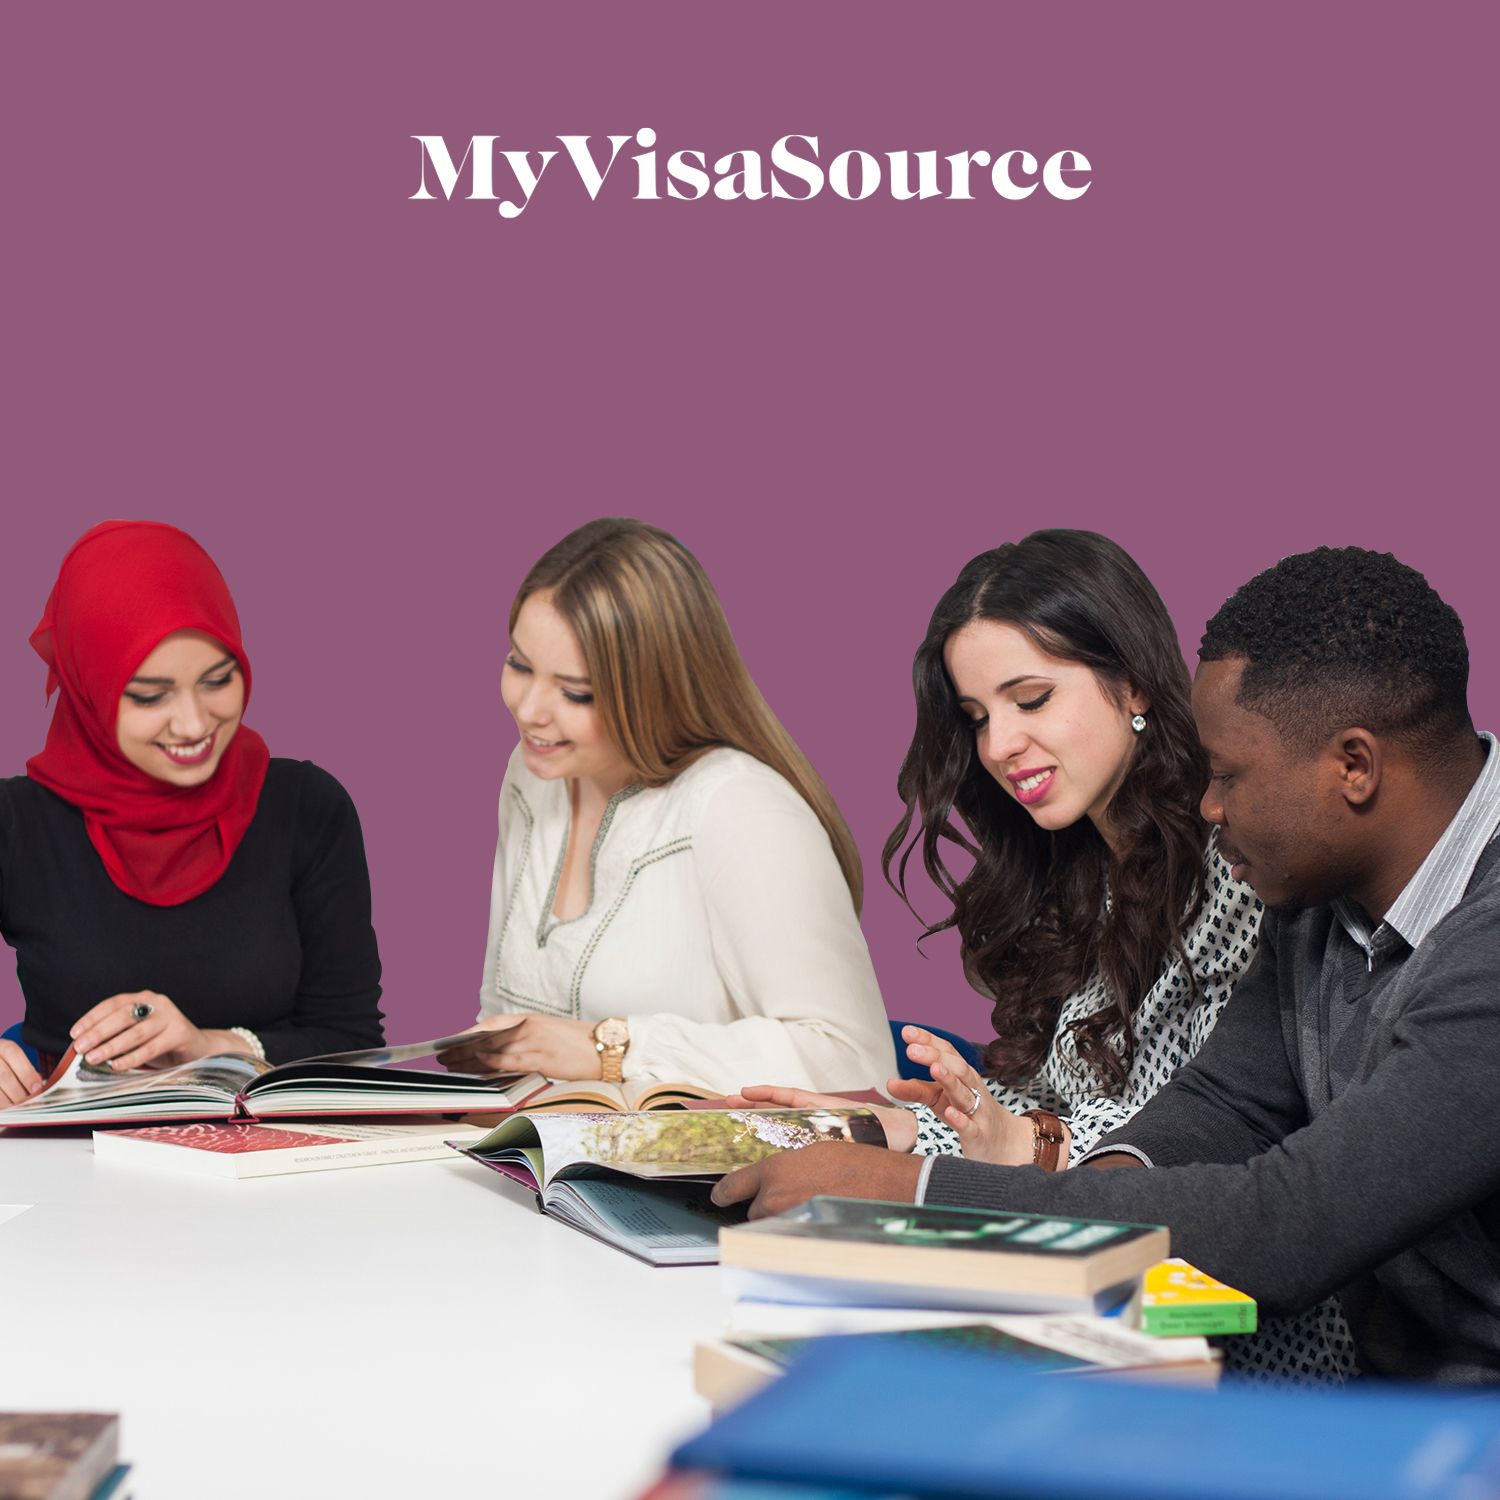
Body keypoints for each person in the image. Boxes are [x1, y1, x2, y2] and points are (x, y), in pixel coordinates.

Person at [715, 546, 1500, 1384]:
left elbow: (1291, 1223)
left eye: (1229, 776)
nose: (1210, 806)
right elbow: (1218, 1107)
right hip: (1388, 1391)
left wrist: (920, 1195)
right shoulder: (1320, 891)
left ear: (1354, 767)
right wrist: (1066, 1208)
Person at [457, 517, 893, 1095]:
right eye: (519, 664)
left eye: (576, 692)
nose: (530, 708)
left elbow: (854, 1060)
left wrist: (611, 1048)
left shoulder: (739, 808)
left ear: (655, 686)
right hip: (531, 1157)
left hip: (700, 1177)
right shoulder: (534, 772)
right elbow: (506, 1013)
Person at [0, 521, 383, 1104]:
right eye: (150, 695)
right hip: (68, 1166)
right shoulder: (17, 824)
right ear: (90, 688)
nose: (194, 724)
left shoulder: (307, 808)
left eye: (217, 681)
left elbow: (355, 1044)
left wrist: (210, 1046)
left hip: (273, 1161)